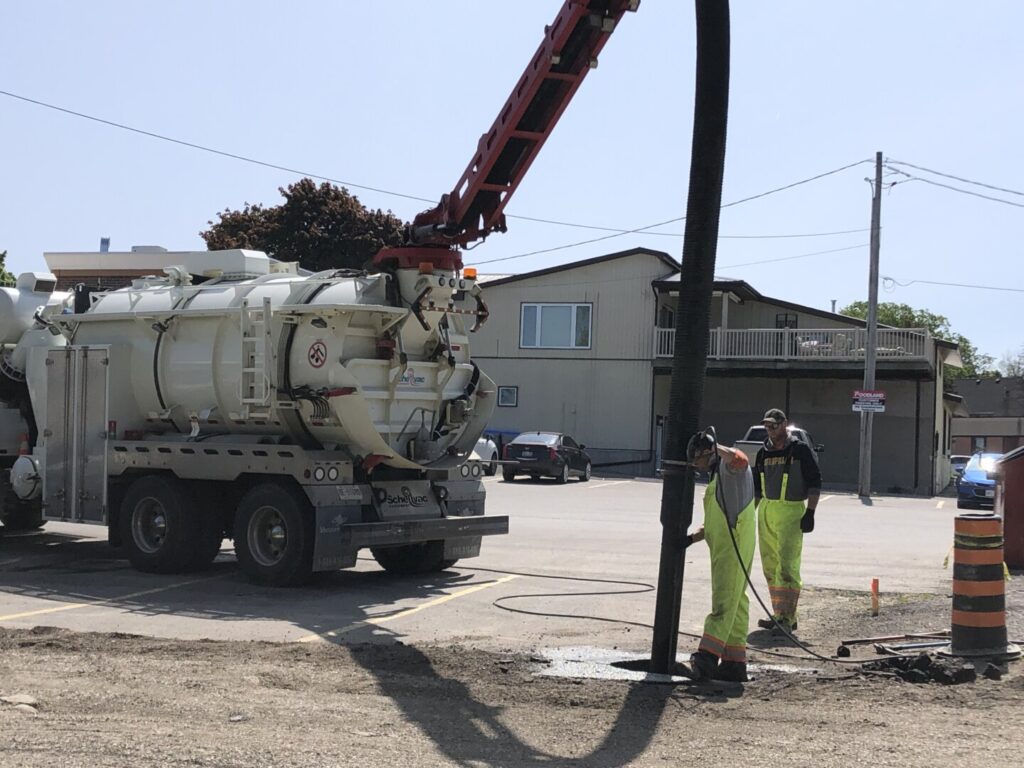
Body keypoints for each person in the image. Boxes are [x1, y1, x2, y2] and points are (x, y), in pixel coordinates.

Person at [686, 429, 756, 683]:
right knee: (736, 604)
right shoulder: (718, 478)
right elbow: (714, 521)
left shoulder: (730, 469)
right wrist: (691, 539)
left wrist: (718, 448)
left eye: (697, 458)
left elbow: (741, 459)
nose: (695, 465)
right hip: (727, 545)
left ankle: (706, 657)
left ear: (708, 452)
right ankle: (734, 663)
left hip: (732, 546)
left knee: (724, 601)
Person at [753, 408, 821, 633]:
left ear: (785, 425)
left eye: (774, 425)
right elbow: (756, 490)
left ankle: (788, 619)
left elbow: (814, 481)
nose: (770, 430)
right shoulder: (763, 453)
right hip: (766, 512)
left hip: (791, 513)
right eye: (767, 426)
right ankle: (778, 614)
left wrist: (810, 512)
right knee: (771, 567)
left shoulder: (799, 450)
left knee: (787, 568)